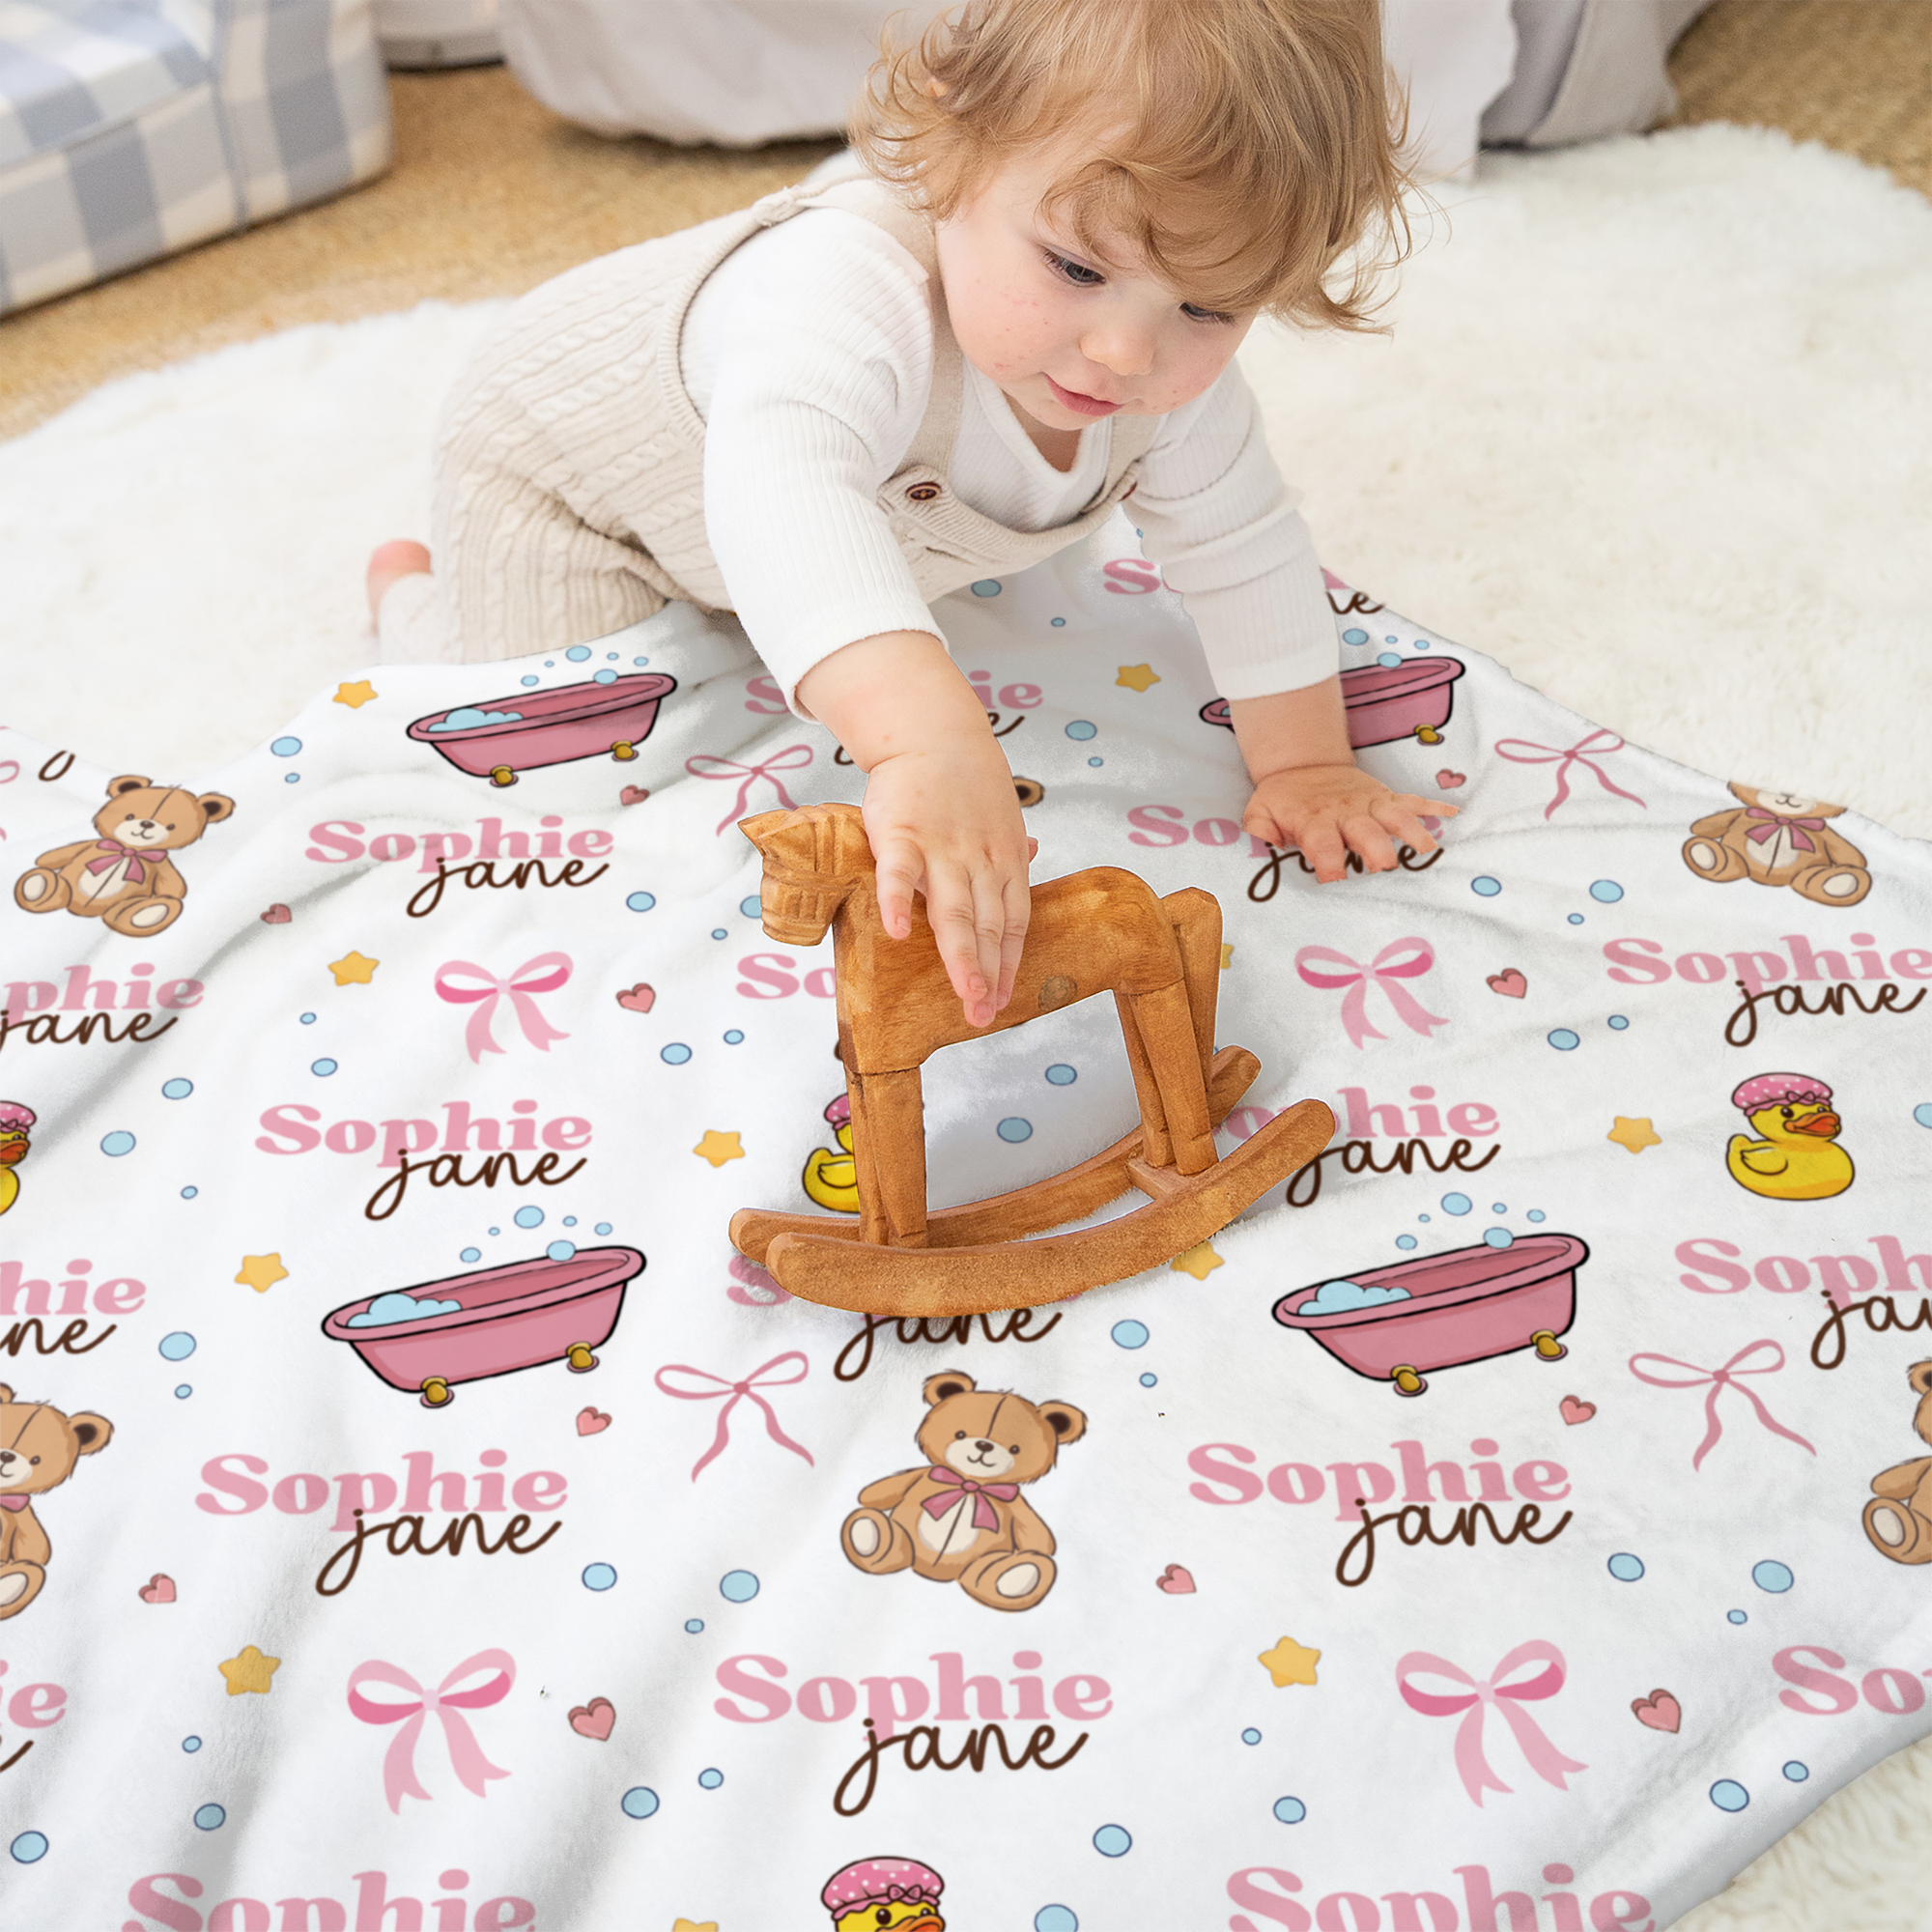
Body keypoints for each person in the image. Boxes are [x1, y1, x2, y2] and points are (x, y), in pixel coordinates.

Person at [368, 0, 1455, 1028]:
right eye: (1076, 265)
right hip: (572, 492)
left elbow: (1241, 546)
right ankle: (413, 596)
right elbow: (786, 491)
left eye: (1208, 306)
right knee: (563, 748)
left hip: (767, 531)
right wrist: (927, 741)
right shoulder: (843, 290)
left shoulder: (1160, 378)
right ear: (950, 144)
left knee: (781, 646)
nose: (1126, 352)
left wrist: (1304, 761)